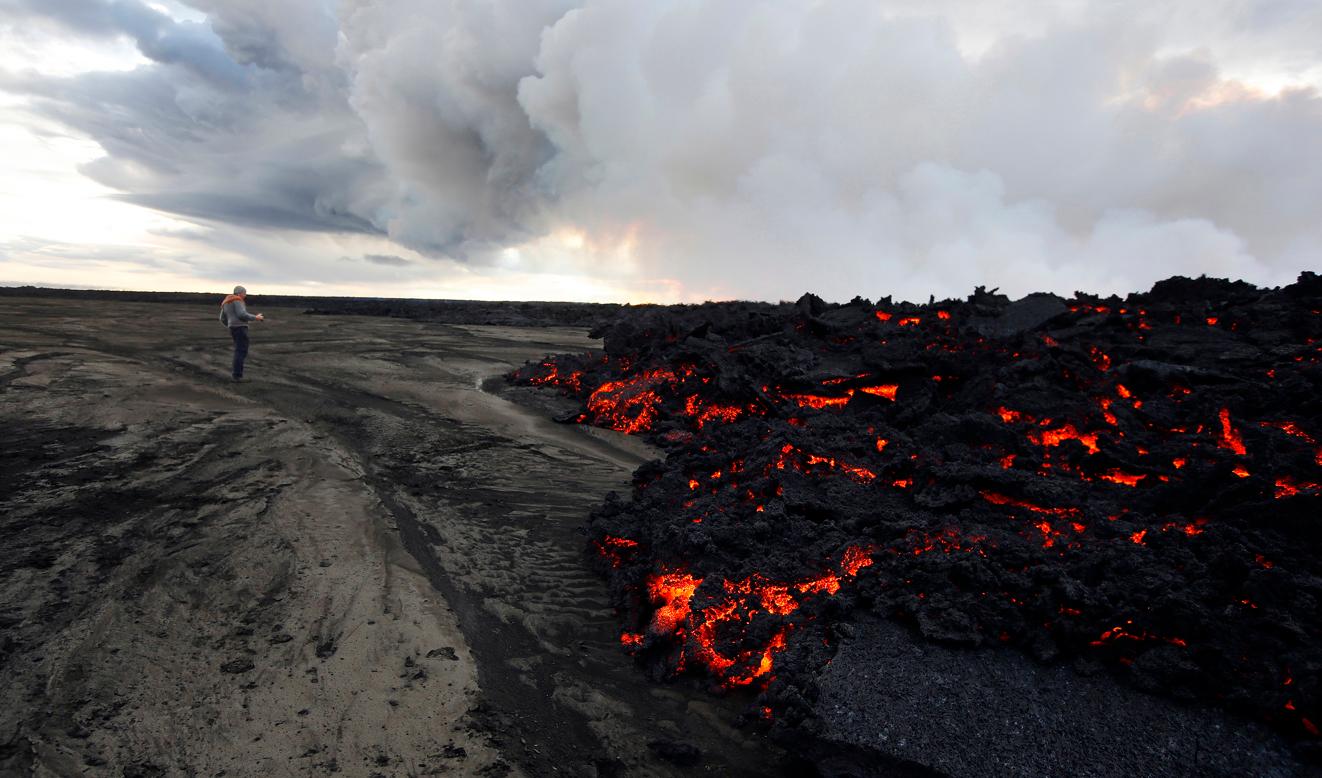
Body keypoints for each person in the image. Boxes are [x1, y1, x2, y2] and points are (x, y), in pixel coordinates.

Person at [219, 285, 264, 382]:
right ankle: (237, 376)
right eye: (244, 293)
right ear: (239, 293)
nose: (245, 295)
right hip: (240, 328)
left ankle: (236, 375)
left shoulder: (226, 302)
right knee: (241, 351)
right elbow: (242, 314)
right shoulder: (237, 300)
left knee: (238, 350)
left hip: (233, 328)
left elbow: (222, 318)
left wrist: (230, 325)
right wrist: (256, 317)